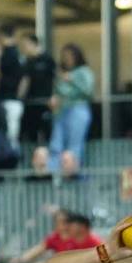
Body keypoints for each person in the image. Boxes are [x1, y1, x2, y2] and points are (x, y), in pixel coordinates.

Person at [33, 44, 93, 177]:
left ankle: (74, 173)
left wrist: (73, 80)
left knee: (74, 144)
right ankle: (54, 173)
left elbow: (88, 91)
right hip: (61, 110)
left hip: (78, 109)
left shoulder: (83, 71)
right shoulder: (62, 73)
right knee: (56, 142)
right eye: (64, 56)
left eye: (69, 56)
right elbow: (58, 90)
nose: (67, 59)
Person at [18, 33, 56, 148]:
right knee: (29, 133)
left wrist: (54, 96)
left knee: (47, 133)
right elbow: (25, 81)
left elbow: (54, 79)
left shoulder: (47, 60)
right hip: (30, 103)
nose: (24, 49)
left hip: (44, 102)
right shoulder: (26, 62)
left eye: (26, 45)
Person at [0, 25, 26, 148]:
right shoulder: (18, 54)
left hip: (8, 99)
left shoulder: (8, 54)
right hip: (13, 99)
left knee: (9, 137)